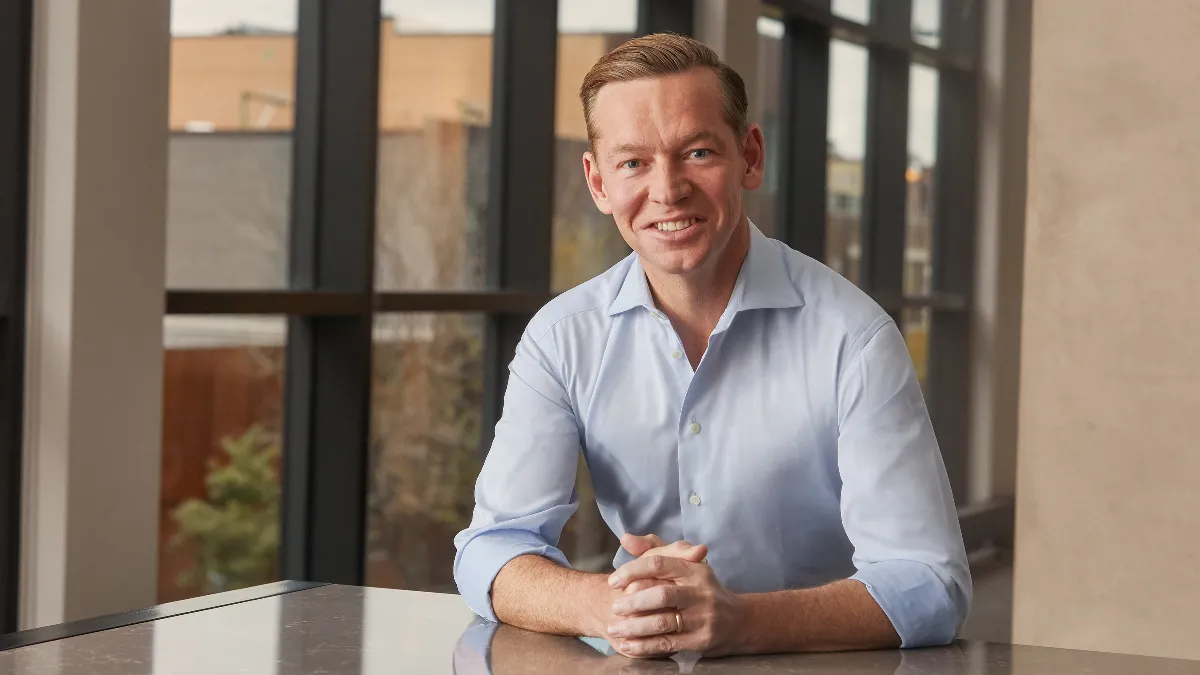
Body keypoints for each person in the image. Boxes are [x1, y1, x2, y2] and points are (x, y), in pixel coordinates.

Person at [453, 33, 970, 659]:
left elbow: (929, 582)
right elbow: (493, 548)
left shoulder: (853, 339)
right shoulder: (563, 338)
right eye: (632, 163)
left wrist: (739, 620)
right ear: (597, 183)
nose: (667, 190)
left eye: (697, 152)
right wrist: (610, 605)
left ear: (750, 156)